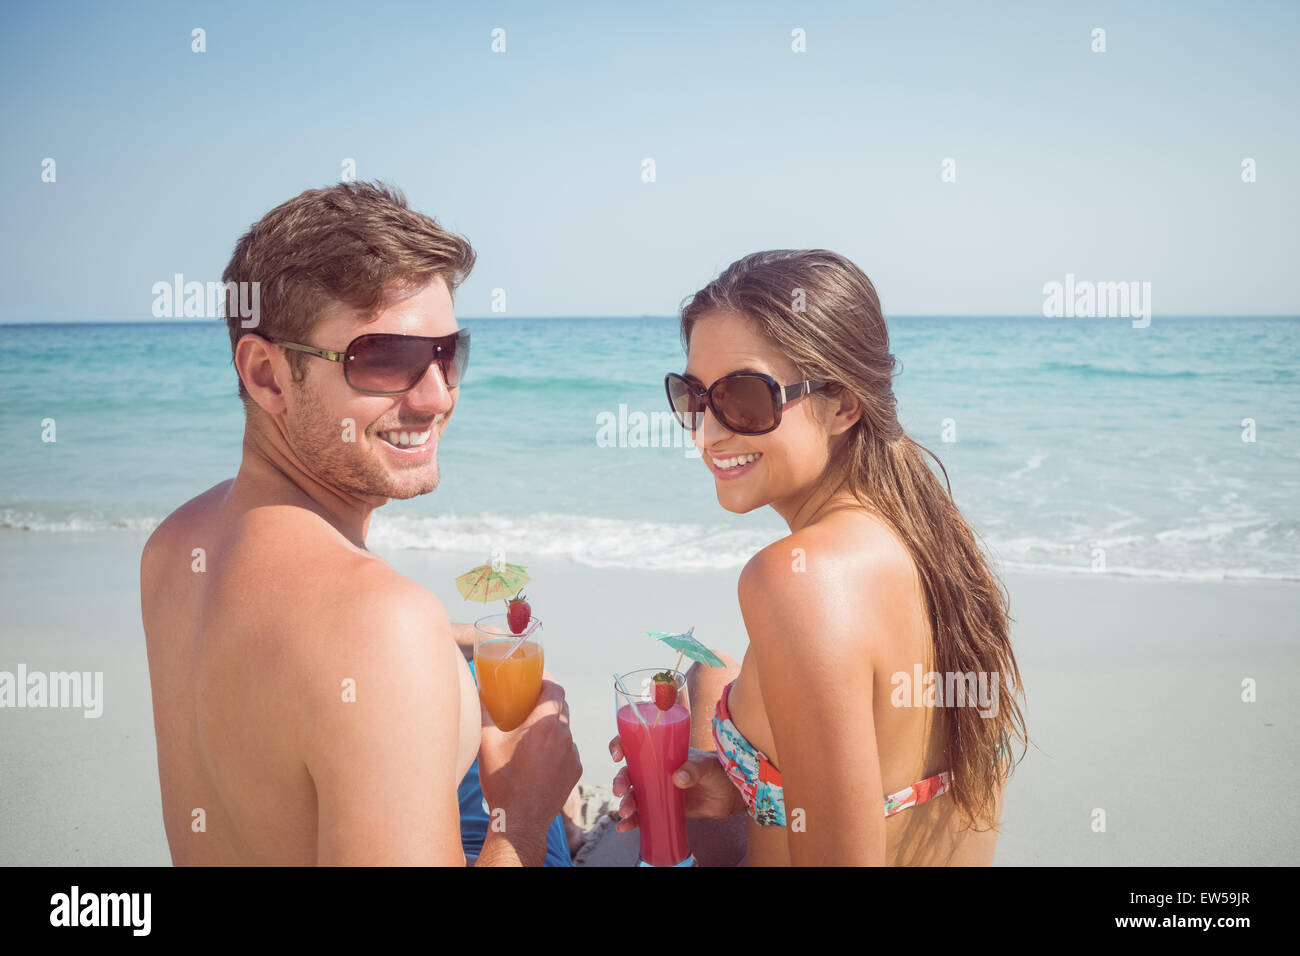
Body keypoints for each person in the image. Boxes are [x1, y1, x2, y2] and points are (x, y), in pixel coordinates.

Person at [140, 181, 581, 865]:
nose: (437, 397)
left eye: (448, 354)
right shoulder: (379, 623)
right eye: (386, 360)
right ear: (268, 376)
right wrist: (522, 814)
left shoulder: (176, 542)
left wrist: (439, 643)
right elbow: (354, 638)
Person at [610, 250, 1027, 865]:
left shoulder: (797, 580)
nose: (710, 431)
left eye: (745, 398)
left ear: (843, 404)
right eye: (694, 397)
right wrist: (744, 786)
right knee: (710, 673)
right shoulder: (939, 537)